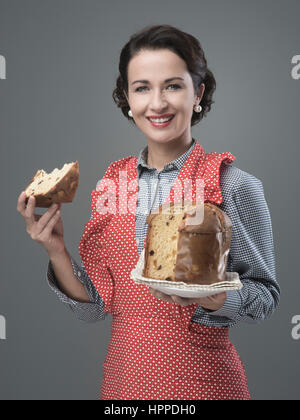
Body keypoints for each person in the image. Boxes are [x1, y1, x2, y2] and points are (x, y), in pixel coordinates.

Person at [17, 24, 280, 400]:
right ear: (127, 97)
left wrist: (215, 296)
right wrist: (56, 249)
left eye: (173, 86)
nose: (157, 104)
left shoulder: (233, 184)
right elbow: (95, 308)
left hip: (204, 384)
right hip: (124, 384)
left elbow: (265, 299)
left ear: (198, 93)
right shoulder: (113, 182)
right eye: (142, 88)